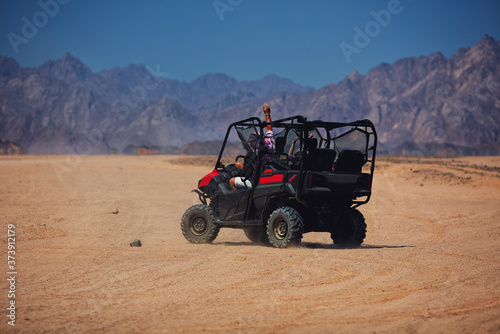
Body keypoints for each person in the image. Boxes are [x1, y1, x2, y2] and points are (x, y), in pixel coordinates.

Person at [229, 103, 274, 190]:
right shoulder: (270, 143)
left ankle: (241, 202)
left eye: (250, 143)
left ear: (252, 143)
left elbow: (249, 172)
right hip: (267, 177)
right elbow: (269, 128)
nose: (249, 145)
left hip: (256, 182)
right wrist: (267, 114)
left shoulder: (257, 154)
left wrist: (241, 166)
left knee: (231, 181)